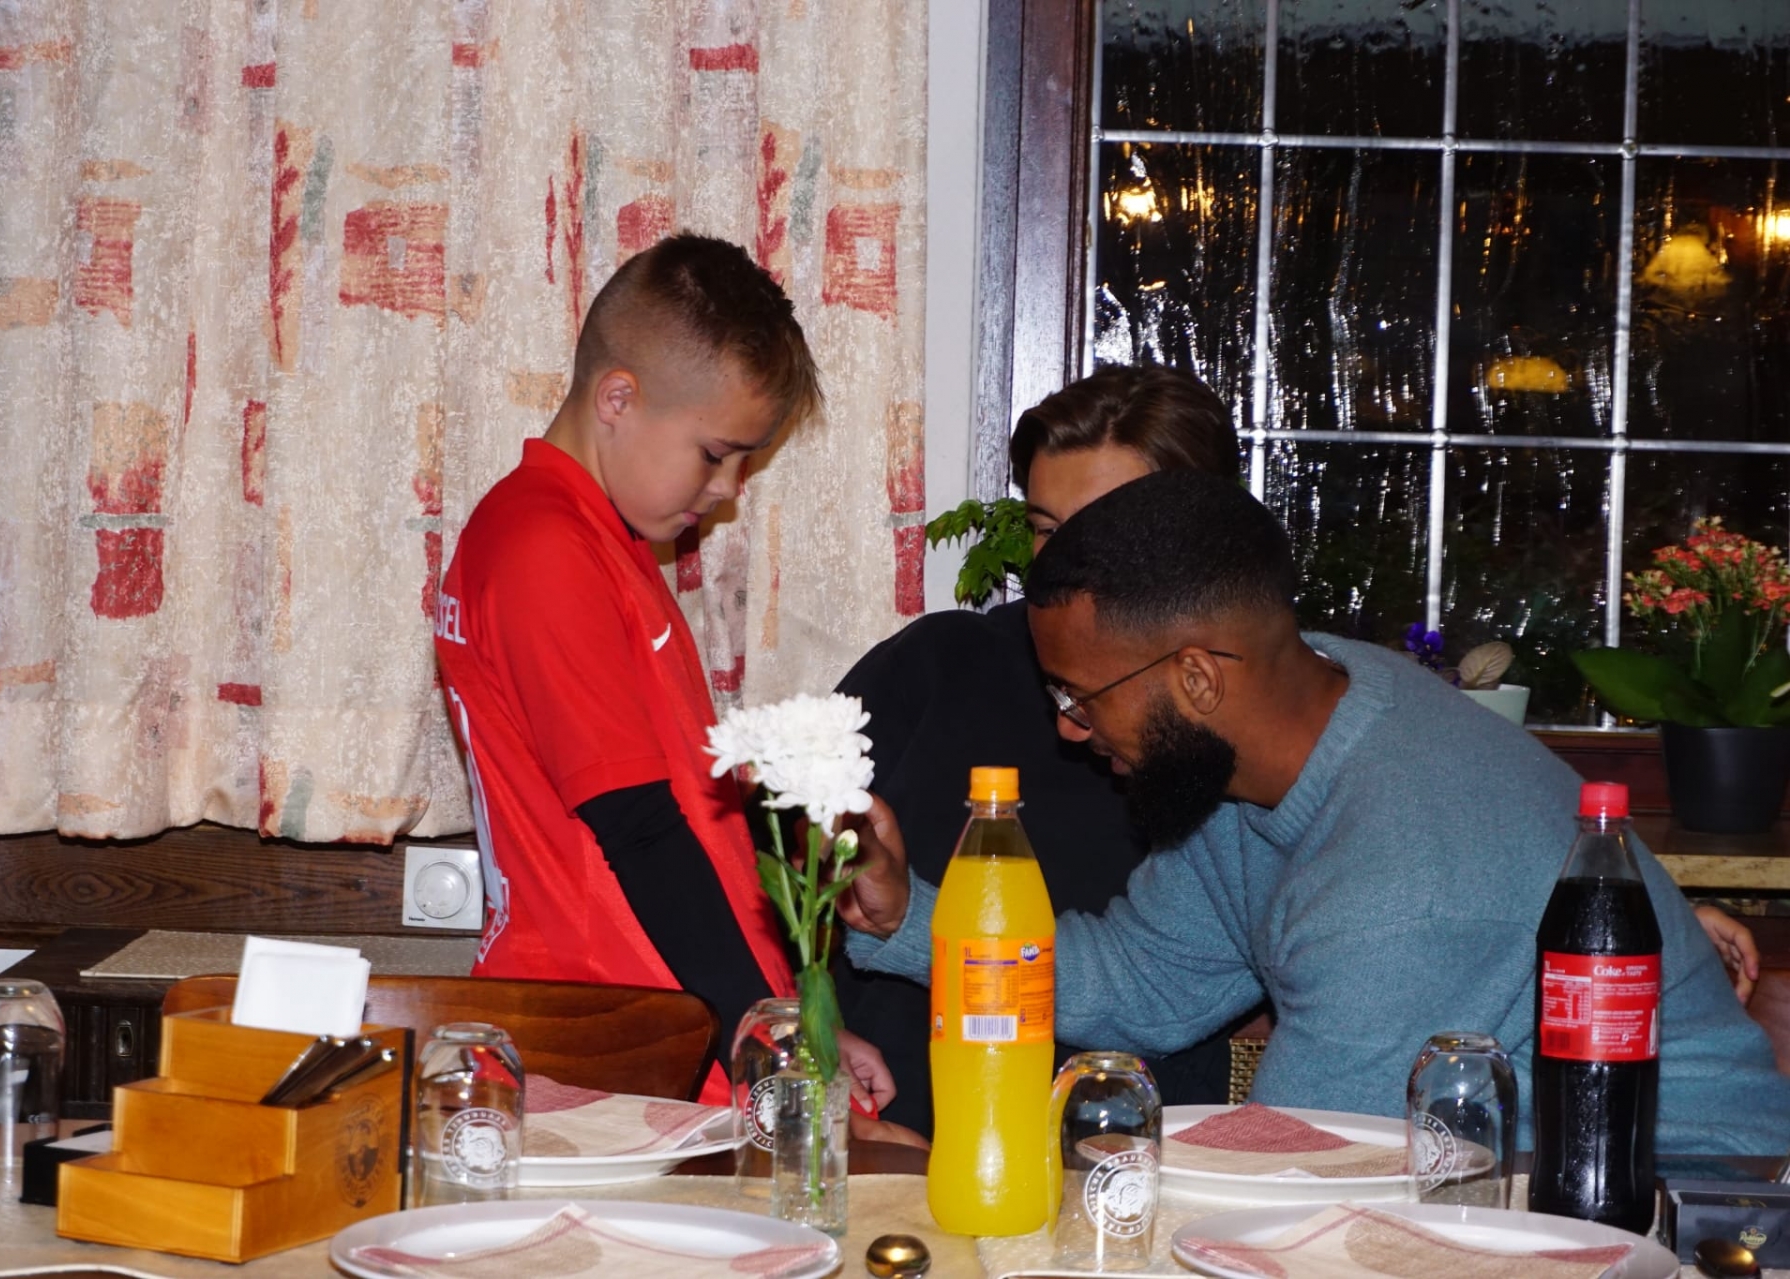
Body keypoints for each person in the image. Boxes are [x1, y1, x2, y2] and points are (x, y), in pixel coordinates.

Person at [838, 470, 1790, 1152]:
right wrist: (904, 916)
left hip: (1679, 1207)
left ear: (1197, 678)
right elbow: (1145, 982)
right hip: (1496, 1187)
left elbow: (1290, 1168)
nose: (1069, 728)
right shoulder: (1272, 731)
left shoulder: (1404, 876)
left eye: (1080, 696)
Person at [434, 233, 895, 1112]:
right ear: (618, 398)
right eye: (717, 453)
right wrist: (774, 1052)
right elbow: (640, 831)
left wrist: (799, 1021)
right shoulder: (544, 546)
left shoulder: (601, 539)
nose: (728, 488)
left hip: (661, 1026)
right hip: (620, 1042)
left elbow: (691, 806)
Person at [832, 364, 1244, 1135]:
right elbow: (774, 886)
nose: (1060, 565)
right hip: (897, 1139)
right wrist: (815, 1050)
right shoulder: (935, 666)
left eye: (1101, 534)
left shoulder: (1235, 726)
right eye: (1048, 529)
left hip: (1129, 1156)